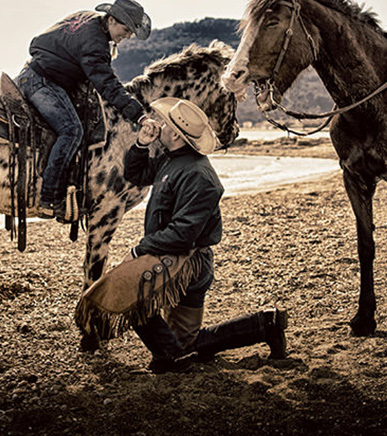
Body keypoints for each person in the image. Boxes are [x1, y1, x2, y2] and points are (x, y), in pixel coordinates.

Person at [123, 97, 288, 373]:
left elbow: (183, 234)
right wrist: (141, 144)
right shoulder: (171, 159)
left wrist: (141, 250)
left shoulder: (201, 176)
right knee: (185, 342)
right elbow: (135, 174)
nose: (159, 125)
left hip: (188, 263)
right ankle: (266, 324)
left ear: (175, 133)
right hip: (173, 256)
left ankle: (170, 357)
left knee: (129, 295)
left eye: (164, 123)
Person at [15, 0, 151, 222]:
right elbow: (106, 84)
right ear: (112, 20)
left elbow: (38, 42)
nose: (127, 36)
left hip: (41, 73)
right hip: (40, 80)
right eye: (126, 30)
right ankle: (50, 197)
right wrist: (138, 114)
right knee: (71, 131)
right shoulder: (95, 42)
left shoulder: (87, 17)